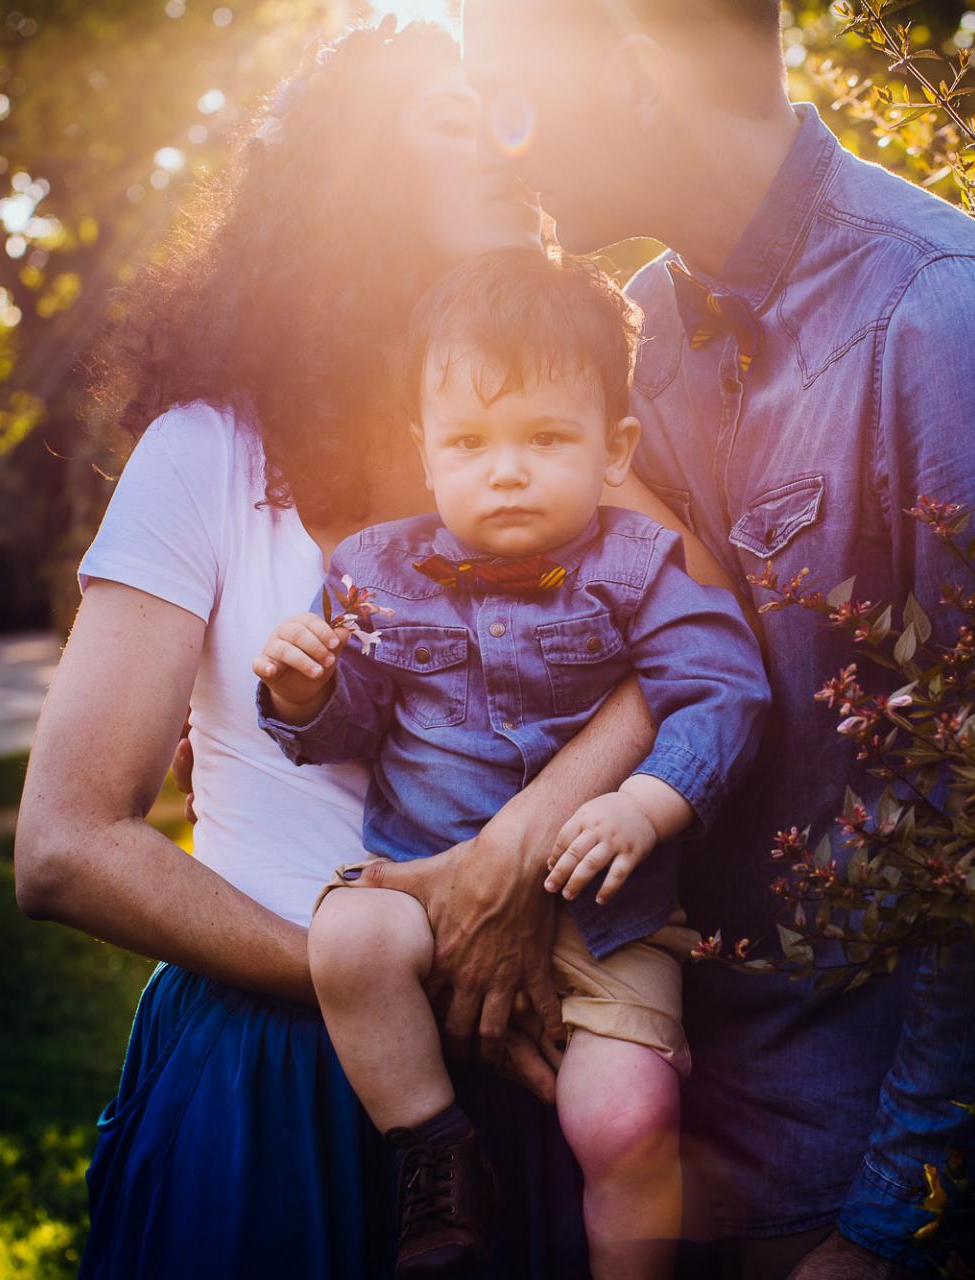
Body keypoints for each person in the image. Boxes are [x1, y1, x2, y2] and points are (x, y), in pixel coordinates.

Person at [13, 19, 743, 1278]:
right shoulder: (210, 454)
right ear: (354, 190)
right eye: (462, 125)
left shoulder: (546, 444)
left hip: (536, 1046)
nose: (519, 144)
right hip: (277, 1072)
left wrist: (516, 854)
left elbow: (700, 656)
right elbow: (68, 844)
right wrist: (380, 984)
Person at [455, 2, 975, 1276]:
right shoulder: (631, 334)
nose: (502, 148)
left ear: (637, 81)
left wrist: (892, 1222)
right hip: (649, 1150)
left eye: (518, 105)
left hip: (841, 1180)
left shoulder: (942, 318)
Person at [253, 248, 769, 1278]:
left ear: (614, 445)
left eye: (546, 437)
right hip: (432, 895)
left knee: (627, 1118)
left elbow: (722, 686)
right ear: (427, 452)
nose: (507, 467)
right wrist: (302, 690)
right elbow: (349, 724)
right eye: (471, 441)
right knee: (346, 936)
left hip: (610, 906)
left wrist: (649, 805)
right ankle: (436, 1154)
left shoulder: (638, 566)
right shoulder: (371, 576)